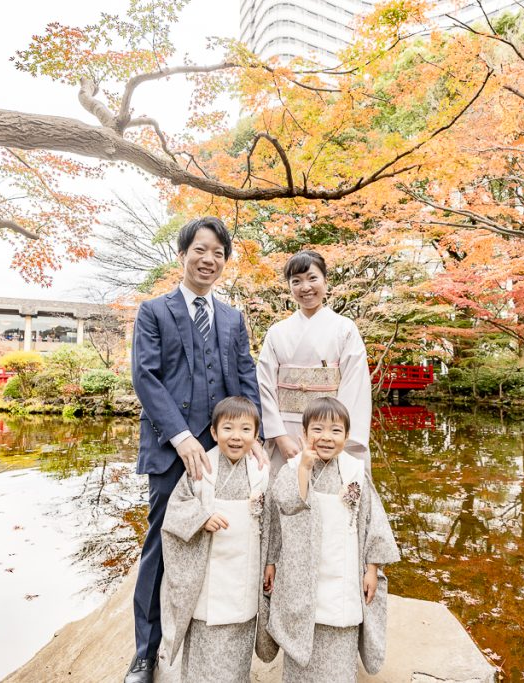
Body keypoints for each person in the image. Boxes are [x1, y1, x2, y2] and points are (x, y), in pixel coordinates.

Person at [126, 217, 266, 683]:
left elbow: (245, 377)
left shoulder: (231, 317)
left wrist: (255, 436)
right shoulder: (154, 311)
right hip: (173, 451)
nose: (209, 260)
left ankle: (207, 635)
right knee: (162, 545)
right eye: (200, 250)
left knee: (228, 538)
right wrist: (182, 438)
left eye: (218, 253)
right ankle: (146, 653)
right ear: (183, 253)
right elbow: (146, 378)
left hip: (227, 448)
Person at [264, 397, 399, 682]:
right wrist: (303, 469)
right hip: (301, 575)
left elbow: (373, 522)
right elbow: (284, 508)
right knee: (301, 655)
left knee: (338, 657)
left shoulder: (354, 472)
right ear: (304, 433)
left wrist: (372, 568)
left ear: (347, 436)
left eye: (336, 431)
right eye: (318, 429)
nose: (326, 437)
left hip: (343, 576)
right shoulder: (291, 470)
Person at [157, 397, 276, 681]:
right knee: (203, 648)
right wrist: (201, 519)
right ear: (213, 432)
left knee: (238, 645)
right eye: (228, 428)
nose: (236, 437)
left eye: (246, 429)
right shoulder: (201, 469)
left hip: (244, 571)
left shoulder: (261, 472)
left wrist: (271, 561)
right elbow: (176, 509)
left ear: (256, 436)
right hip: (208, 577)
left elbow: (272, 520)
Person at [256, 250, 372, 473]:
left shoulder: (345, 329)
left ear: (326, 282)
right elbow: (264, 387)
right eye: (296, 281)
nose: (305, 287)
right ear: (289, 287)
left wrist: (337, 437)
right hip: (288, 431)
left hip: (332, 433)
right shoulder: (277, 332)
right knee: (287, 496)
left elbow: (355, 387)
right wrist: (279, 437)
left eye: (312, 278)